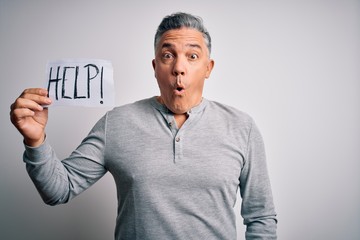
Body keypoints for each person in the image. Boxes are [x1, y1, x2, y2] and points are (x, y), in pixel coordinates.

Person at [10, 12, 277, 240]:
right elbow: (59, 189)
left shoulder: (242, 127)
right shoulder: (116, 123)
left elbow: (261, 217)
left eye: (192, 56)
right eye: (168, 55)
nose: (179, 68)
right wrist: (36, 141)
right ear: (155, 66)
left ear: (208, 67)